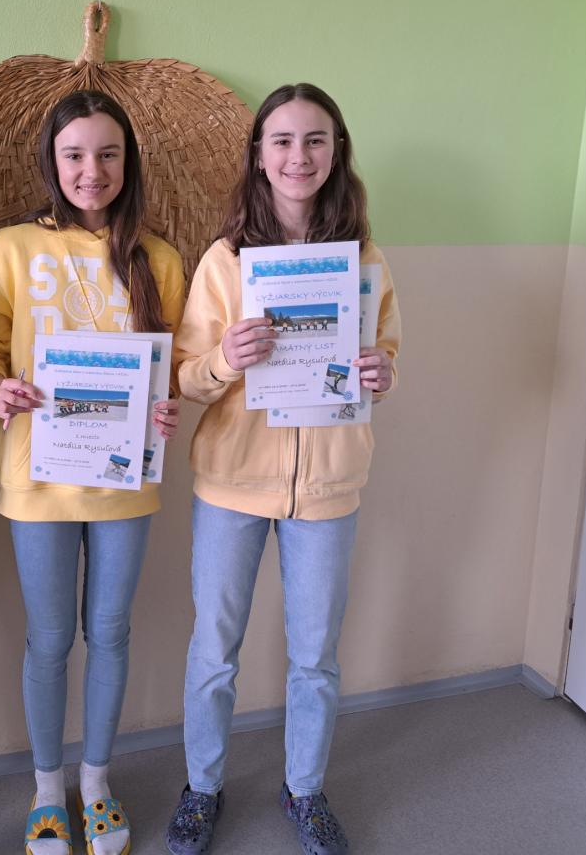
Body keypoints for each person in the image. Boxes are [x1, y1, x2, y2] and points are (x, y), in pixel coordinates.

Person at [164, 83, 401, 855]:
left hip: (328, 488)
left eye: (316, 140)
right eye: (283, 141)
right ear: (259, 157)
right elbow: (186, 376)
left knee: (316, 658)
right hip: (232, 484)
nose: (300, 156)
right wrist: (224, 361)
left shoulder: (366, 261)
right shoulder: (225, 261)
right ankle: (202, 788)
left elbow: (385, 355)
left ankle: (305, 790)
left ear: (337, 154)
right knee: (214, 650)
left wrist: (381, 372)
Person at [0, 90, 186, 855]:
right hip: (38, 477)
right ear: (51, 162)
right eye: (75, 155)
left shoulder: (160, 258)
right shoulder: (11, 249)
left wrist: (167, 406)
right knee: (50, 638)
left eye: (108, 154)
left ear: (129, 162)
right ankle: (46, 791)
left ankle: (96, 783)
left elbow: (171, 368)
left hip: (126, 480)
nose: (92, 170)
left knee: (111, 632)